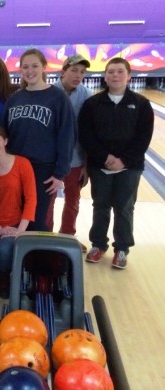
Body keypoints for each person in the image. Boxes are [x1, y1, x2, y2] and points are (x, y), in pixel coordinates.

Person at [79, 58, 154, 269]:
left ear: (129, 76)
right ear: (105, 76)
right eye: (111, 71)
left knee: (124, 207)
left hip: (130, 167)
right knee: (100, 206)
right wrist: (104, 158)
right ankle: (98, 245)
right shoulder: (92, 104)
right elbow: (87, 136)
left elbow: (143, 137)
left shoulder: (142, 104)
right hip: (100, 165)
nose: (115, 75)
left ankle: (121, 249)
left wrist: (123, 161)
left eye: (120, 71)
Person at [0, 48, 76, 231]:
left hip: (44, 169)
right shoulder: (15, 99)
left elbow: (67, 135)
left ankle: (39, 259)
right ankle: (18, 259)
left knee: (37, 220)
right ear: (20, 71)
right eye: (25, 67)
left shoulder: (58, 98)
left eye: (35, 65)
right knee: (15, 216)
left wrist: (60, 173)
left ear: (44, 68)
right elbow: (3, 133)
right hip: (15, 166)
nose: (30, 70)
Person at [0, 125, 37, 297]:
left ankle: (7, 278)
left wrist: (19, 231)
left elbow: (31, 199)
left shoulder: (22, 164)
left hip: (15, 224)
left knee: (3, 253)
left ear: (5, 141)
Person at [47, 54, 93, 252]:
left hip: (76, 160)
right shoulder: (49, 92)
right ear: (63, 71)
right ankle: (45, 234)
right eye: (74, 70)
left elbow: (90, 132)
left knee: (73, 200)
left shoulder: (87, 95)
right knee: (47, 201)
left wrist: (87, 165)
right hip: (51, 159)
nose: (78, 75)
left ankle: (67, 235)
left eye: (82, 72)